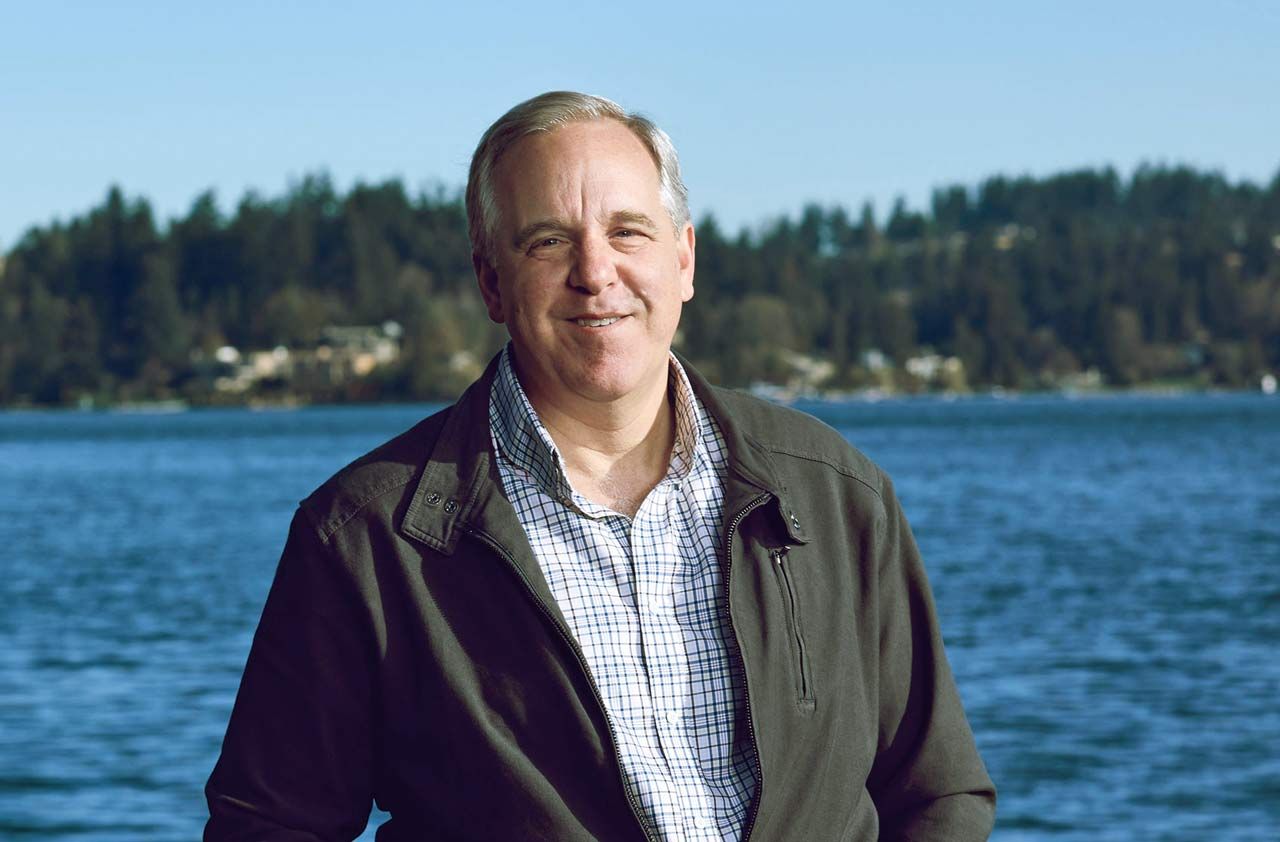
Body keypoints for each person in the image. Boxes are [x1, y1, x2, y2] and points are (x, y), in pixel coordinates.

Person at [205, 91, 996, 841]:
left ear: (683, 260)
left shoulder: (834, 495)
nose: (595, 272)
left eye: (629, 232)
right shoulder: (366, 539)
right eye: (548, 241)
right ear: (491, 281)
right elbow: (270, 826)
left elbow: (936, 793)